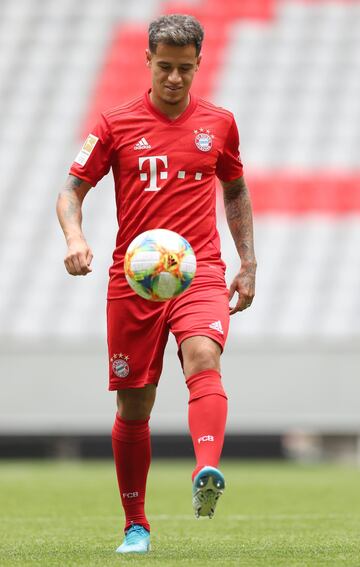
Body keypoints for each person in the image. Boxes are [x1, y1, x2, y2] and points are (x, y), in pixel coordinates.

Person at [57, 13, 256, 555]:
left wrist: (248, 263)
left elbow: (235, 191)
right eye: (164, 67)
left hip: (199, 272)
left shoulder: (219, 123)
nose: (174, 78)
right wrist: (75, 238)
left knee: (203, 357)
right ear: (147, 62)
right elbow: (71, 191)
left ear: (198, 64)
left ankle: (207, 470)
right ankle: (136, 526)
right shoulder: (114, 123)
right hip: (134, 280)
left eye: (184, 69)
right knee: (133, 408)